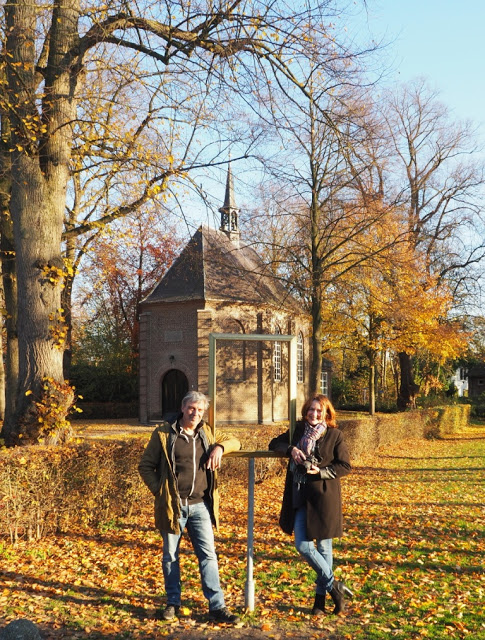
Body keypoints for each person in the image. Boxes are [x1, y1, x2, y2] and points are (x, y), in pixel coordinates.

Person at [138, 391, 241, 624]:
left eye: (200, 410)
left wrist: (220, 448)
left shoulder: (207, 432)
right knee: (171, 556)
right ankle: (173, 603)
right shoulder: (164, 433)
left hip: (200, 506)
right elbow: (146, 466)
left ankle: (217, 607)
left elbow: (236, 441)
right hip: (173, 506)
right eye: (192, 408)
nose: (196, 413)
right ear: (183, 408)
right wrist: (161, 492)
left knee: (208, 556)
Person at [269, 393, 353, 616]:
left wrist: (322, 472)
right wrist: (291, 449)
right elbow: (274, 443)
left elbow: (345, 465)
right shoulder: (297, 431)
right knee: (303, 546)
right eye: (311, 410)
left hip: (324, 498)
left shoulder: (335, 435)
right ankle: (336, 588)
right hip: (299, 497)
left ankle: (320, 603)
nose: (314, 414)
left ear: (326, 413)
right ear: (305, 411)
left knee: (324, 549)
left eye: (319, 411)